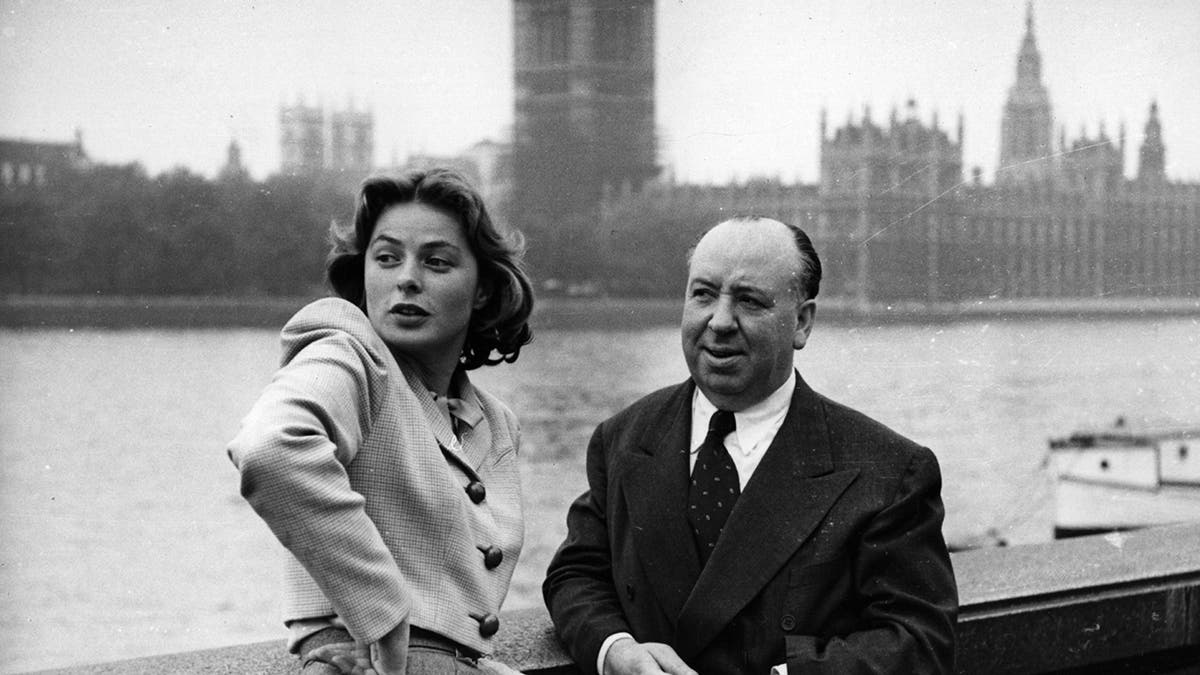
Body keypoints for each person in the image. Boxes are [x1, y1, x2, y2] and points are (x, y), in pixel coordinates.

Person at [543, 216, 957, 674]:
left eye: (749, 300)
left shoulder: (890, 469)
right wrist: (616, 651)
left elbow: (920, 643)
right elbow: (575, 573)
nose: (719, 322)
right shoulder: (623, 437)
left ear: (801, 323)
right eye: (702, 294)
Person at [228, 168, 534, 674]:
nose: (406, 278)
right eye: (387, 258)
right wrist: (384, 614)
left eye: (436, 262)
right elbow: (270, 447)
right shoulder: (349, 354)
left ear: (482, 290)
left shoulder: (497, 423)